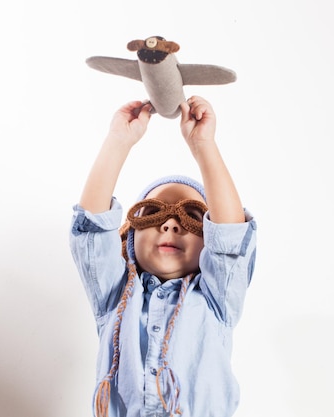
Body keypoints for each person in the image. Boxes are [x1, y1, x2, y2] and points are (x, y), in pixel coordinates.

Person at [69, 96, 257, 417]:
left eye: (190, 217)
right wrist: (118, 142)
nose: (170, 223)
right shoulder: (114, 297)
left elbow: (230, 236)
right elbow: (91, 228)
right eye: (153, 214)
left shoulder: (217, 299)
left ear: (208, 241)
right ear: (128, 235)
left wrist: (203, 146)